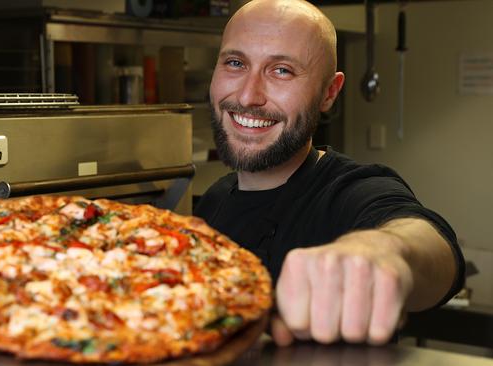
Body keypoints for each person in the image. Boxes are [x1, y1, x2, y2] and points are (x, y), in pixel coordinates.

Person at [194, 0, 465, 347]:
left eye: (282, 71)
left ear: (329, 93)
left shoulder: (351, 191)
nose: (248, 96)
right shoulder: (213, 203)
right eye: (235, 63)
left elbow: (433, 248)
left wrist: (384, 250)